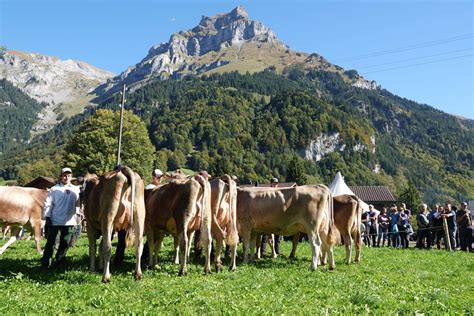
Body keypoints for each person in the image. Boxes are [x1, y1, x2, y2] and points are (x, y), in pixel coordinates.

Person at [40, 167, 81, 269]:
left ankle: (59, 261)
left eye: (69, 175)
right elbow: (48, 204)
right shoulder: (54, 189)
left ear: (71, 177)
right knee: (51, 242)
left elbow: (78, 204)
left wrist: (78, 216)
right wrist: (47, 217)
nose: (66, 177)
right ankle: (46, 262)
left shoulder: (75, 190)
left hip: (69, 221)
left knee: (65, 243)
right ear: (61, 176)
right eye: (64, 175)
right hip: (55, 220)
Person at [260, 177, 281, 255]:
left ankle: (277, 251)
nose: (275, 184)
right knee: (265, 233)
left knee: (278, 234)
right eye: (274, 183)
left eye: (276, 183)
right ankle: (263, 251)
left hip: (277, 215)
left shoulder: (279, 192)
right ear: (271, 183)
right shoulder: (267, 192)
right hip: (268, 215)